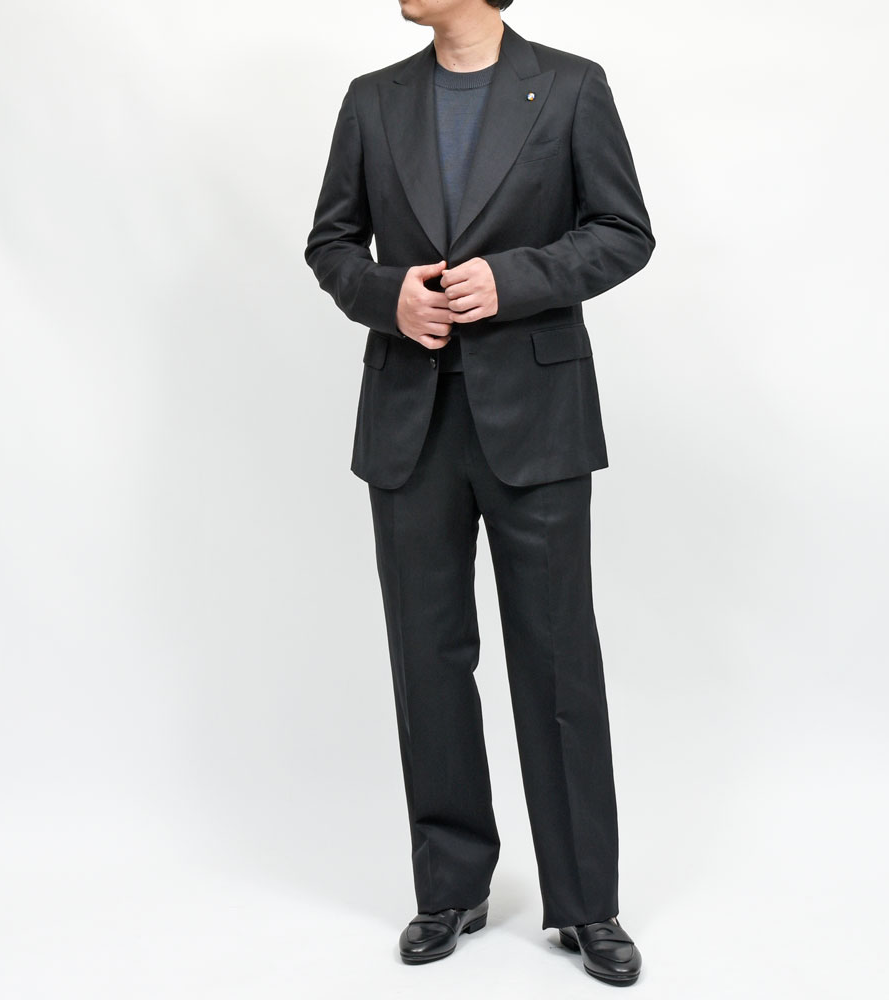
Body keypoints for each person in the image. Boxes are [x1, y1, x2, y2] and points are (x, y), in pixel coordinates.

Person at [303, 0, 654, 985]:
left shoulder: (571, 87)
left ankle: (586, 902)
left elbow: (623, 231)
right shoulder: (373, 100)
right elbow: (332, 244)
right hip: (409, 421)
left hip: (536, 418)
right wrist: (388, 296)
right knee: (427, 657)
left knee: (557, 659)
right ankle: (450, 885)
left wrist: (515, 280)